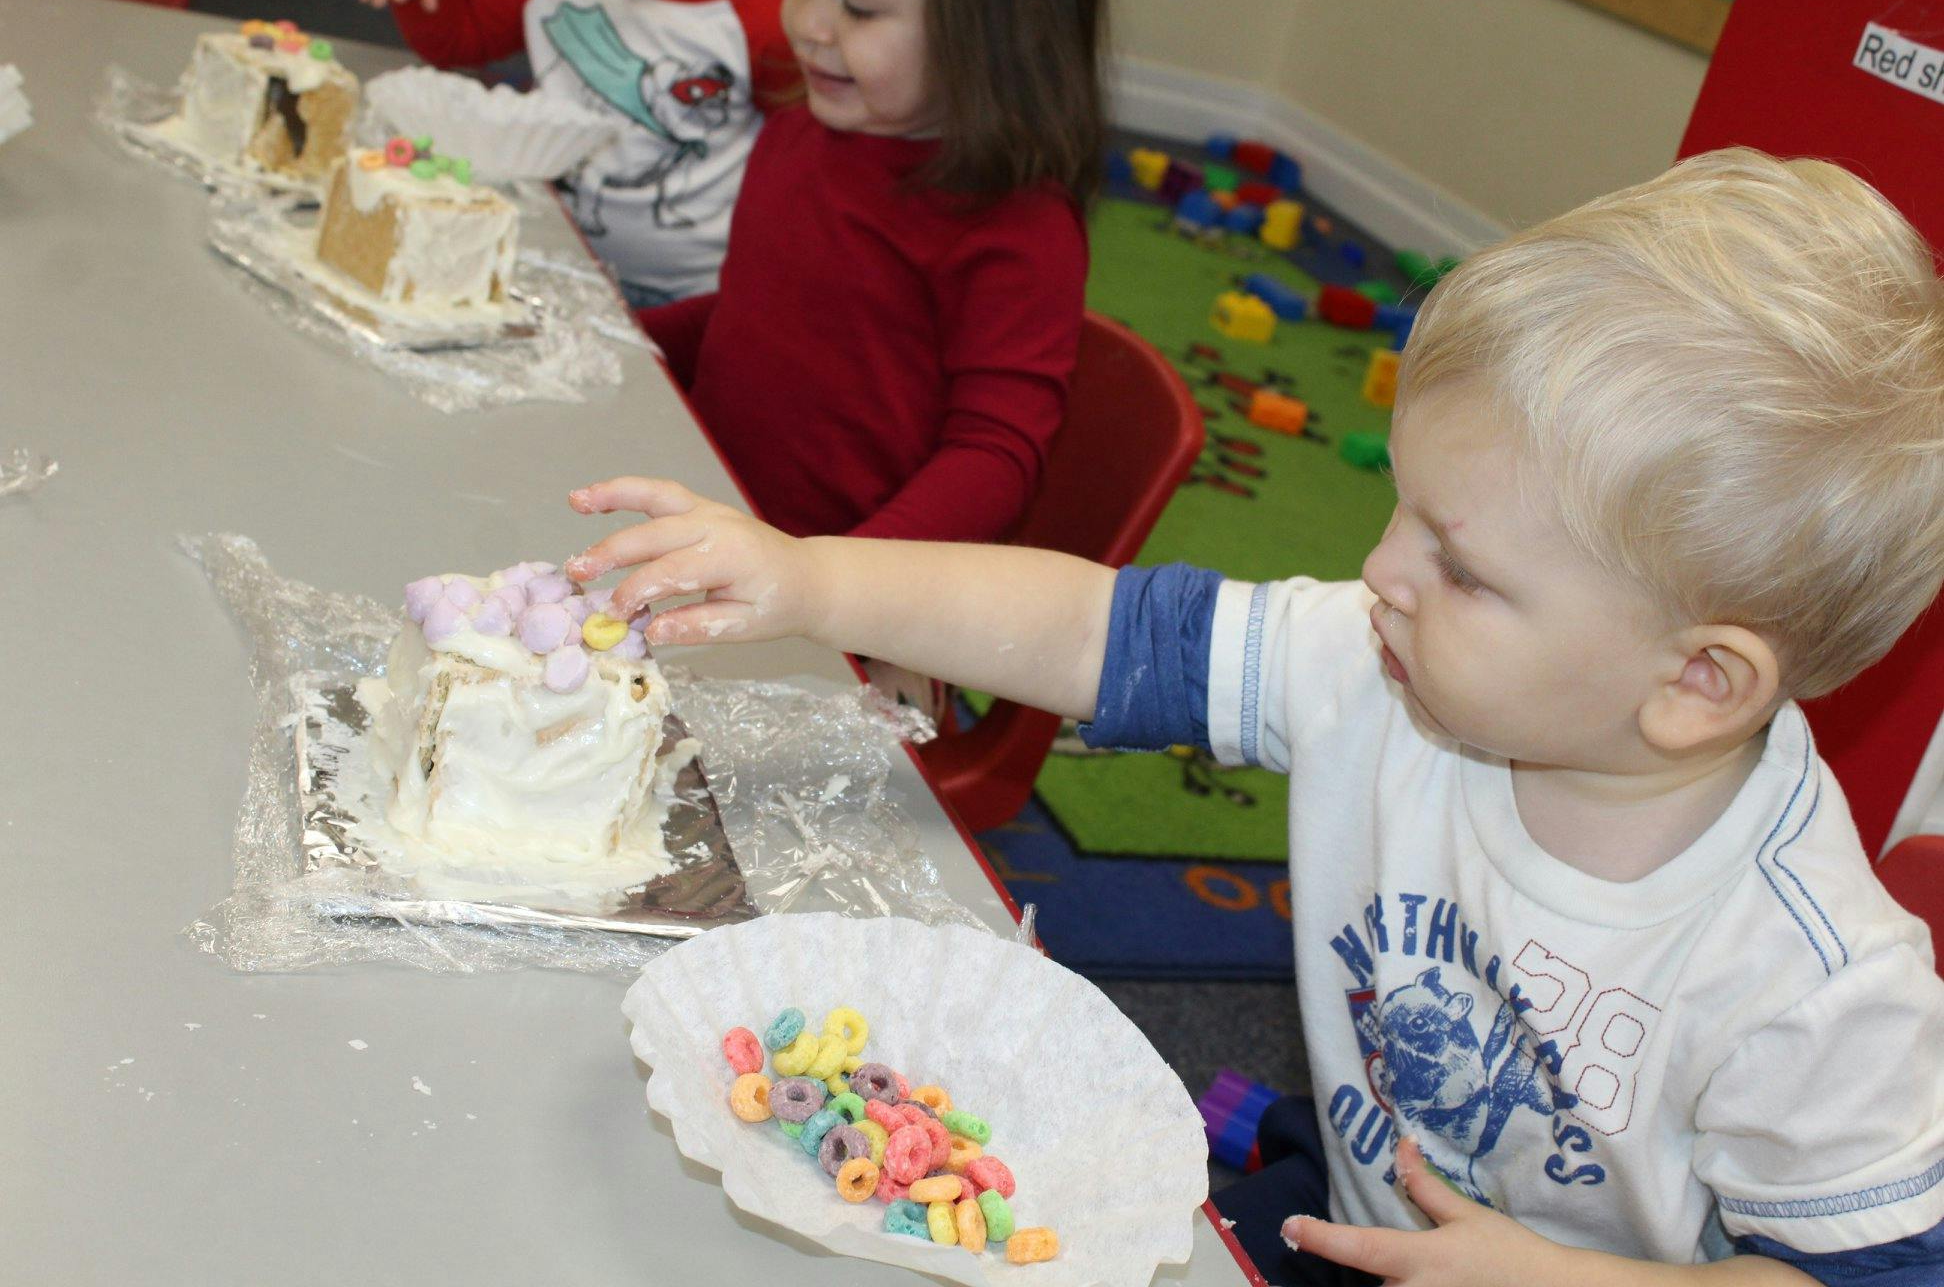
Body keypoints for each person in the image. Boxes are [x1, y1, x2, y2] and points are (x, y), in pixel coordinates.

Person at [563, 149, 1944, 1284]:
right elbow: (1098, 631)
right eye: (1405, 506)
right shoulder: (1383, 660)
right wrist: (815, 575)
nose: (1384, 573)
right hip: (1358, 1226)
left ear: (1698, 684)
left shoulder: (1812, 985)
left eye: (1462, 567)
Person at [635, 0, 1104, 544]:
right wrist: (626, 336)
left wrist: (826, 579)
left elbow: (994, 457)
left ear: (994, 40)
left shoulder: (1020, 229)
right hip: (706, 501)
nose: (808, 24)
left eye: (860, 8)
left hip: (834, 578)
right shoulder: (795, 133)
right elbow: (761, 309)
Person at [360, 0, 796, 307]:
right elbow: (461, 39)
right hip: (544, 257)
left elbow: (798, 144)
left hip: (691, 291)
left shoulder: (772, 14)